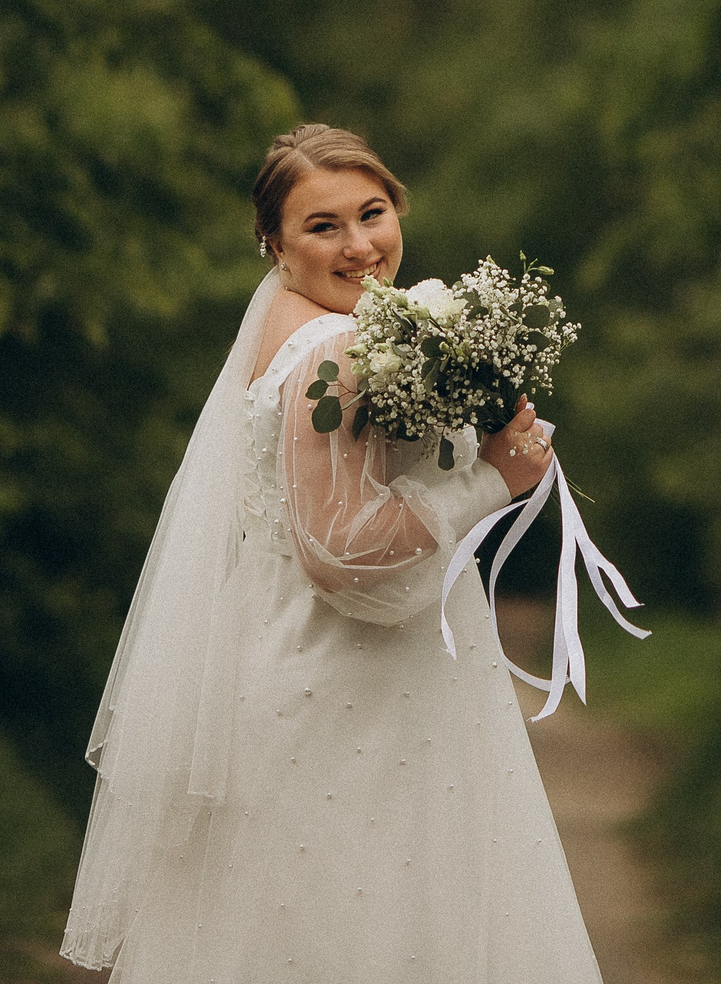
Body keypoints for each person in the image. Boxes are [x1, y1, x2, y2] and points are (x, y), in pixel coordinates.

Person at [61, 124, 602, 983]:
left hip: (288, 657)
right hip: (347, 691)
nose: (359, 245)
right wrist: (491, 479)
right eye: (323, 226)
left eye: (372, 213)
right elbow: (338, 549)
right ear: (275, 243)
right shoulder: (333, 349)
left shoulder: (299, 323)